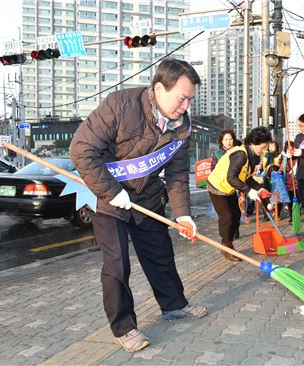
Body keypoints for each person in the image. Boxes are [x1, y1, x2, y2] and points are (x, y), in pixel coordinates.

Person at [70, 58, 206, 353]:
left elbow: (177, 173)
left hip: (146, 198)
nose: (185, 107)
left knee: (161, 254)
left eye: (189, 100)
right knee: (118, 264)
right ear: (159, 88)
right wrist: (111, 190)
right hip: (107, 200)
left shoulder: (181, 126)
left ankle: (174, 305)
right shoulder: (120, 104)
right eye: (182, 98)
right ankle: (124, 327)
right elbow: (81, 149)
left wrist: (183, 215)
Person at [207, 126, 272, 261]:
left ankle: (227, 239)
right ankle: (226, 247)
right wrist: (248, 191)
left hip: (229, 187)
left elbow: (246, 177)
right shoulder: (240, 154)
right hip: (217, 187)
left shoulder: (252, 157)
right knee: (227, 217)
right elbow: (232, 177)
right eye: (262, 147)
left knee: (236, 215)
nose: (263, 150)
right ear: (253, 143)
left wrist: (259, 189)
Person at [279, 140, 298, 222]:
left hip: (297, 184)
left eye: (292, 149)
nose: (290, 151)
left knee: (297, 200)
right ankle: (292, 216)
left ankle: (297, 213)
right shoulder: (285, 160)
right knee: (290, 201)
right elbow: (281, 170)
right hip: (288, 184)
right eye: (288, 149)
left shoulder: (298, 159)